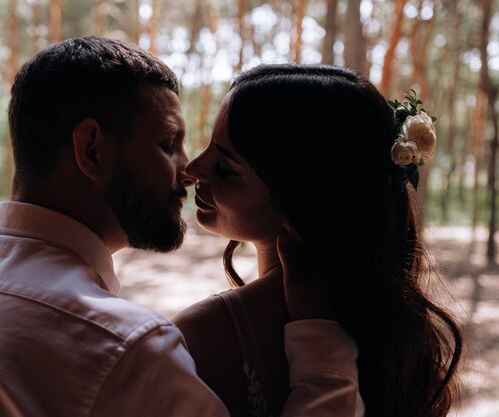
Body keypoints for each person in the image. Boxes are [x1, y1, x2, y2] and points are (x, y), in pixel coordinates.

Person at [0, 38, 364, 416]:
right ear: (91, 150)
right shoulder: (127, 351)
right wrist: (324, 365)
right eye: (169, 143)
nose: (188, 169)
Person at [174, 63, 462, 417]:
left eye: (225, 166)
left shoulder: (199, 337)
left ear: (303, 198)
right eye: (208, 147)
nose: (192, 169)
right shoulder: (396, 324)